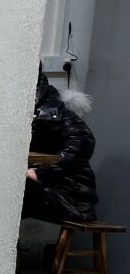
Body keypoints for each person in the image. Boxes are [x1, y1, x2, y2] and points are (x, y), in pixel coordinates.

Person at [23, 69, 97, 223]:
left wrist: (42, 172)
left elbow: (82, 141)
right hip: (53, 190)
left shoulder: (53, 108)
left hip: (72, 199)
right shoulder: (28, 106)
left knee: (11, 190)